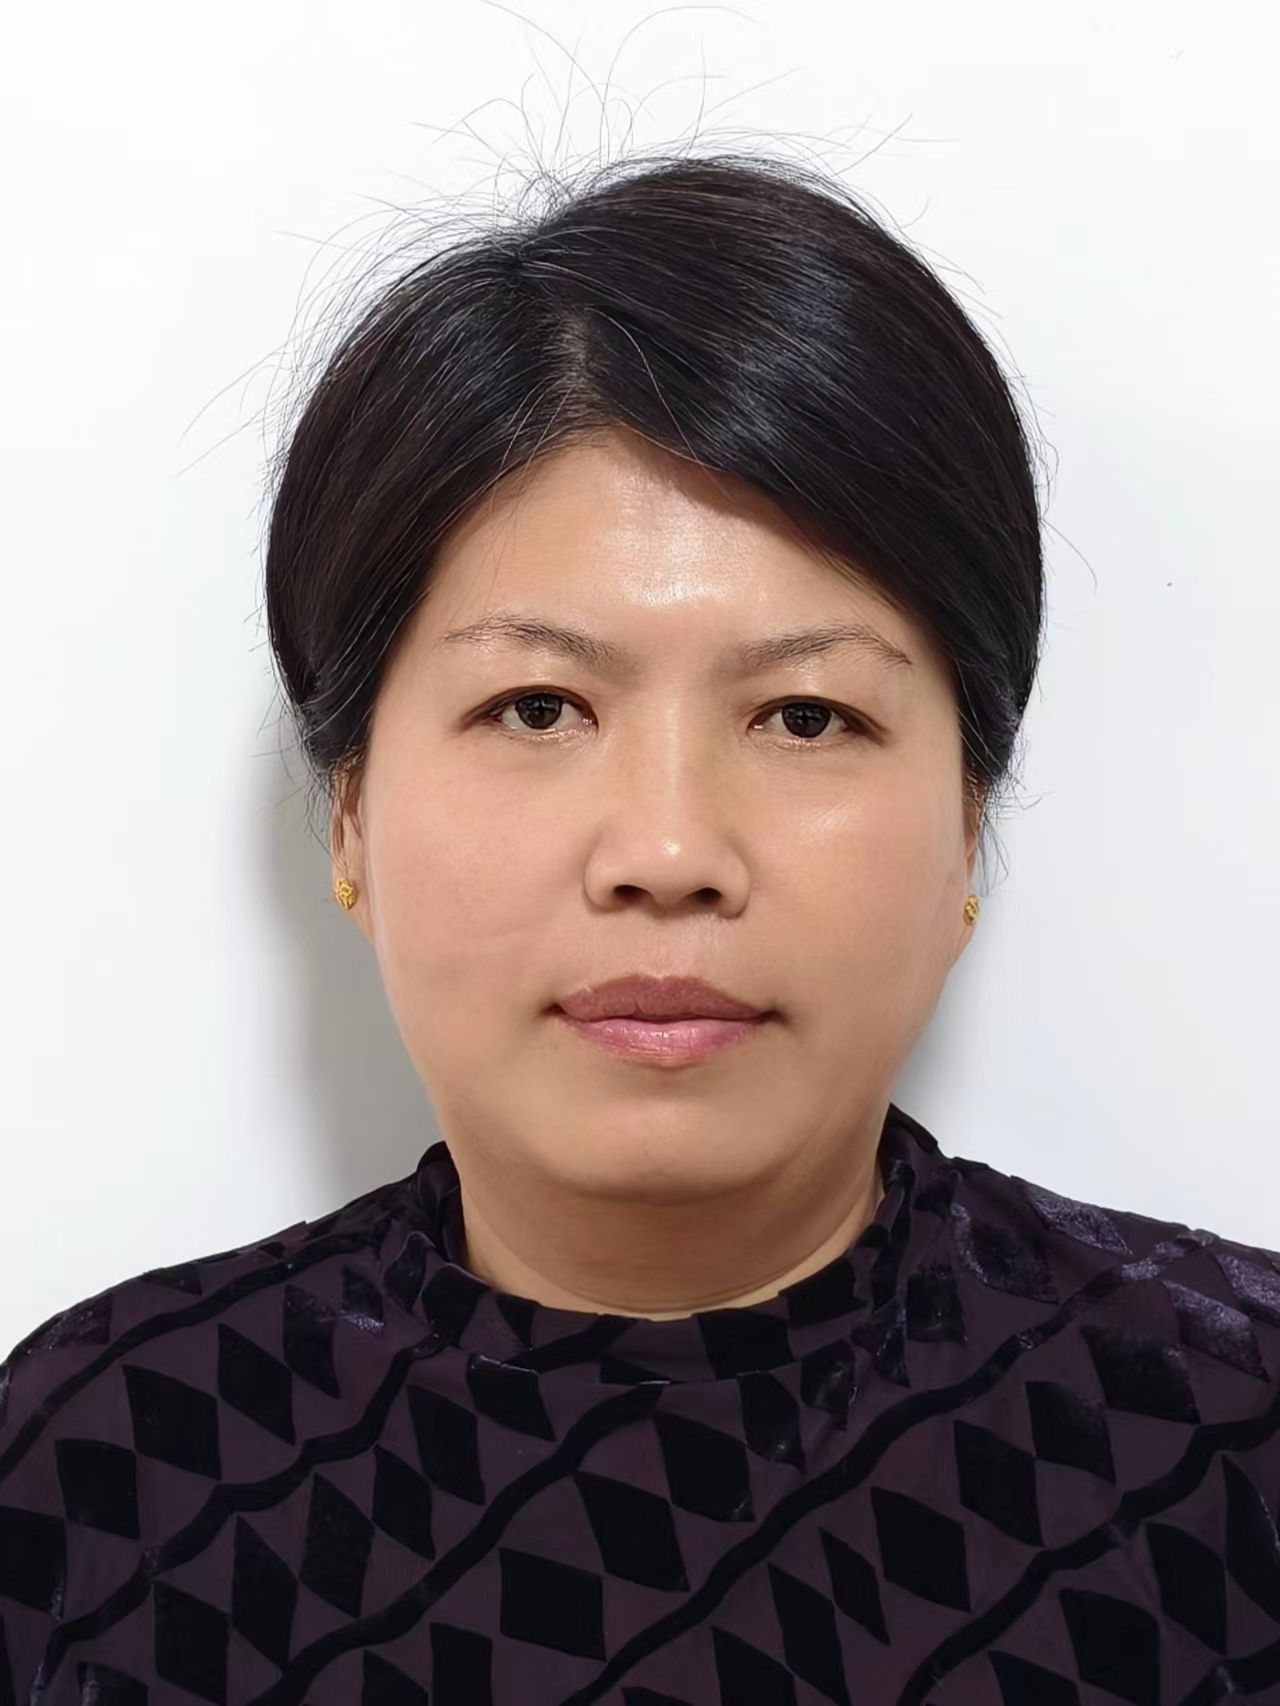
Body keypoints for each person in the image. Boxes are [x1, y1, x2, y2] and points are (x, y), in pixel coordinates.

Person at [3, 150, 1278, 1706]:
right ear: (347, 811)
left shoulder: (1231, 1432)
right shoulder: (109, 1469)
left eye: (806, 715)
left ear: (967, 819)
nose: (668, 853)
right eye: (537, 706)